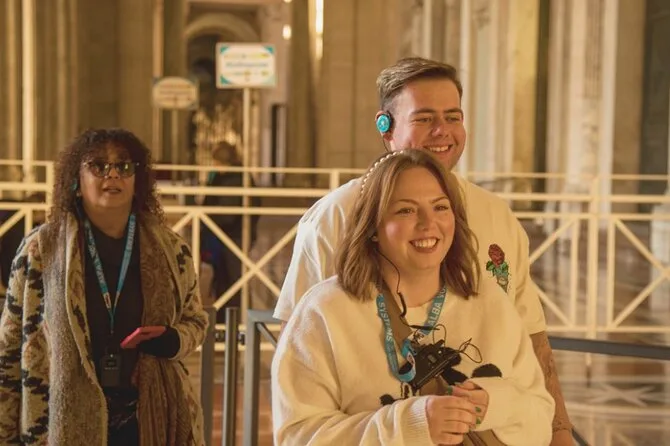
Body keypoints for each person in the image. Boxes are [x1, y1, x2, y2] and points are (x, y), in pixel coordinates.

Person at [273, 57, 573, 444]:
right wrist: (407, 424)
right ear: (386, 126)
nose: (442, 131)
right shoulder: (334, 217)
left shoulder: (496, 215)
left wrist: (559, 433)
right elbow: (300, 348)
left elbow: (532, 339)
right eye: (425, 118)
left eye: (452, 117)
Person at [0, 128, 209, 445]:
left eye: (124, 166)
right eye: (98, 165)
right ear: (76, 180)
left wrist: (173, 339)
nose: (113, 175)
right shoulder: (41, 250)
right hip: (59, 419)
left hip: (147, 418)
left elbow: (196, 321)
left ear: (137, 180)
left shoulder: (171, 249)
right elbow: (10, 344)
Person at [200, 142, 260, 316]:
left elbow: (227, 214)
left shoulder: (235, 178)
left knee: (234, 280)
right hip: (226, 235)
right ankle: (224, 319)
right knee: (224, 279)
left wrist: (207, 217)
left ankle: (235, 319)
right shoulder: (224, 176)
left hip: (234, 235)